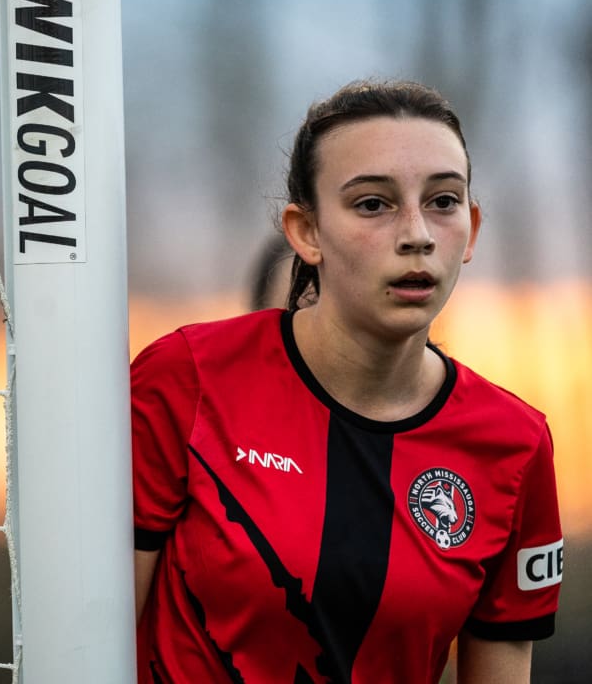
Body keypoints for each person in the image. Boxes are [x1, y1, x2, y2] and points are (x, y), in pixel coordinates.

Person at [131, 80, 563, 683]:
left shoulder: (515, 445)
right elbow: (88, 641)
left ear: (473, 227)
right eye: (372, 204)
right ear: (305, 232)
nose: (417, 234)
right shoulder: (185, 378)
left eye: (443, 201)